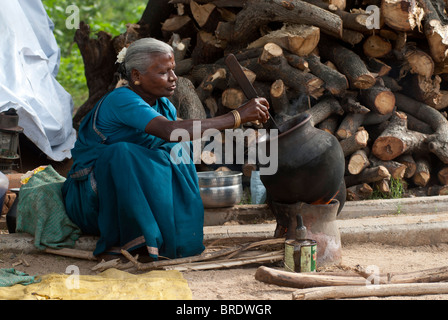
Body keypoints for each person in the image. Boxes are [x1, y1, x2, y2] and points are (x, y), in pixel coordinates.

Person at [62, 38, 270, 261]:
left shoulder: (163, 105)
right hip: (92, 203)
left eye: (173, 69)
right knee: (121, 153)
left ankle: (169, 238)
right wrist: (235, 116)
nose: (173, 78)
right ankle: (138, 240)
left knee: (176, 149)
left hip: (128, 198)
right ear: (136, 76)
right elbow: (170, 130)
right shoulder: (121, 99)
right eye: (163, 72)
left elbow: (175, 137)